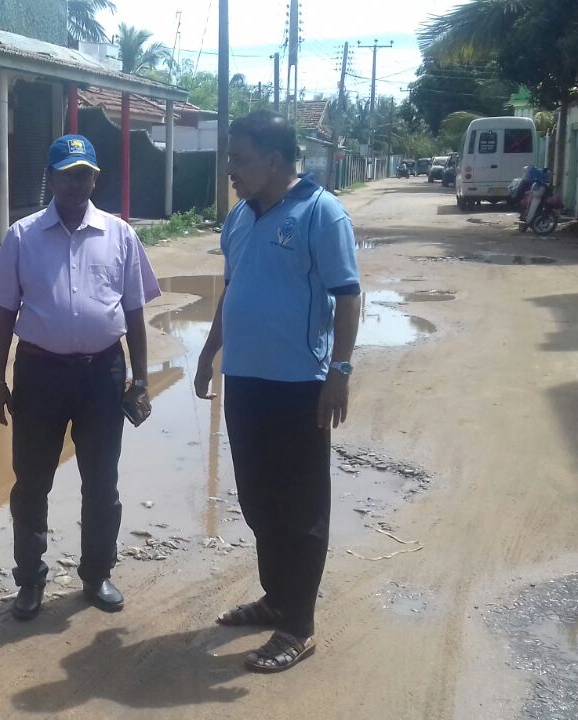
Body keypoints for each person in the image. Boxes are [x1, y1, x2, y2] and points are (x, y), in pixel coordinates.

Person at [194, 110, 361, 673]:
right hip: (245, 382)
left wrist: (339, 371)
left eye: (239, 159)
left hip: (299, 386)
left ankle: (298, 625)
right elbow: (233, 288)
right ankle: (276, 598)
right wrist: (209, 351)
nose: (230, 169)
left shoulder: (321, 212)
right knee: (257, 499)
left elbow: (348, 296)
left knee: (300, 509)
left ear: (272, 159)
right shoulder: (240, 216)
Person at [0, 134, 161, 620]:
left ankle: (97, 573)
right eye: (66, 174)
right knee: (31, 482)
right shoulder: (22, 236)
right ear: (51, 178)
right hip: (39, 375)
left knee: (102, 482)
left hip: (102, 374)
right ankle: (30, 580)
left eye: (84, 175)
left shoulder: (120, 235)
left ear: (95, 179)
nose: (75, 184)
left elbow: (135, 311)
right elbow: (4, 313)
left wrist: (141, 379)